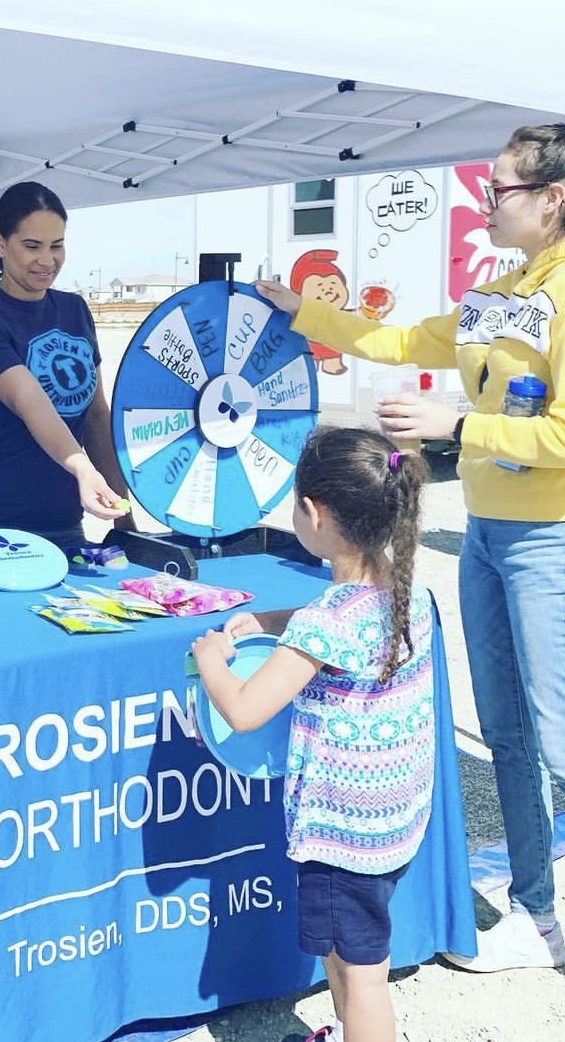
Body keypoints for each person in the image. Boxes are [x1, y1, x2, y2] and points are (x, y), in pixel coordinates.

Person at [255, 119, 565, 1042]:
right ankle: (537, 914)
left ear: (552, 201)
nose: (485, 203)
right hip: (489, 532)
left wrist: (459, 424)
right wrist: (301, 310)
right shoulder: (503, 286)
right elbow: (403, 333)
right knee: (511, 736)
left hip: (556, 539)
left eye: (499, 190)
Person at [191, 427, 435, 1042]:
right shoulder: (410, 595)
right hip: (393, 817)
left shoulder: (327, 623)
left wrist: (212, 658)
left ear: (313, 512)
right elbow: (326, 628)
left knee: (364, 974)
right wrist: (275, 620)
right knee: (348, 952)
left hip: (341, 833)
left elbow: (245, 710)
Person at [0, 180, 131, 558]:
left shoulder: (74, 309)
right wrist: (81, 467)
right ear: (0, 243)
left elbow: (96, 414)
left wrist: (123, 517)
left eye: (56, 245)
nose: (47, 260)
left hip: (64, 525)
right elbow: (31, 402)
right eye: (32, 246)